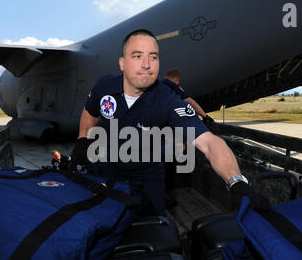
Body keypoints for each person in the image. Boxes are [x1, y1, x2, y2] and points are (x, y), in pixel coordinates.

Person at [69, 29, 270, 216]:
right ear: (122, 63)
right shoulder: (104, 86)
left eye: (153, 57)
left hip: (147, 177)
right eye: (137, 56)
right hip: (107, 170)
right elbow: (90, 111)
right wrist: (83, 138)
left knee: (154, 229)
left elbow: (209, 142)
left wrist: (235, 181)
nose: (146, 64)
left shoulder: (167, 100)